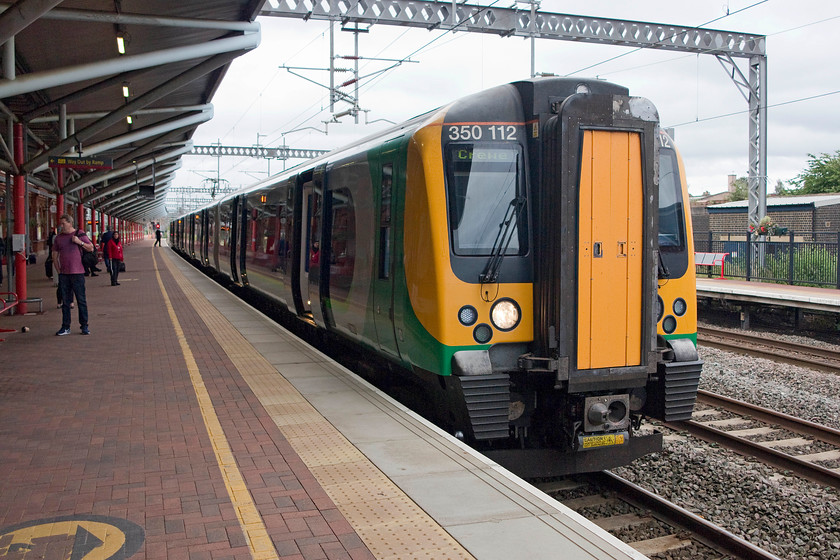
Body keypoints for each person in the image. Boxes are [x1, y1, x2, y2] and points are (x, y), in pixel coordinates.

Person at [52, 214, 93, 335]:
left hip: (78, 273)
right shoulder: (58, 238)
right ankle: (65, 326)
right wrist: (59, 270)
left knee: (81, 300)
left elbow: (90, 248)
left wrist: (79, 242)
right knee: (66, 302)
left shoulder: (79, 234)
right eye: (61, 223)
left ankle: (84, 326)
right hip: (64, 274)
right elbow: (54, 255)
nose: (61, 226)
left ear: (70, 223)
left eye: (63, 223)